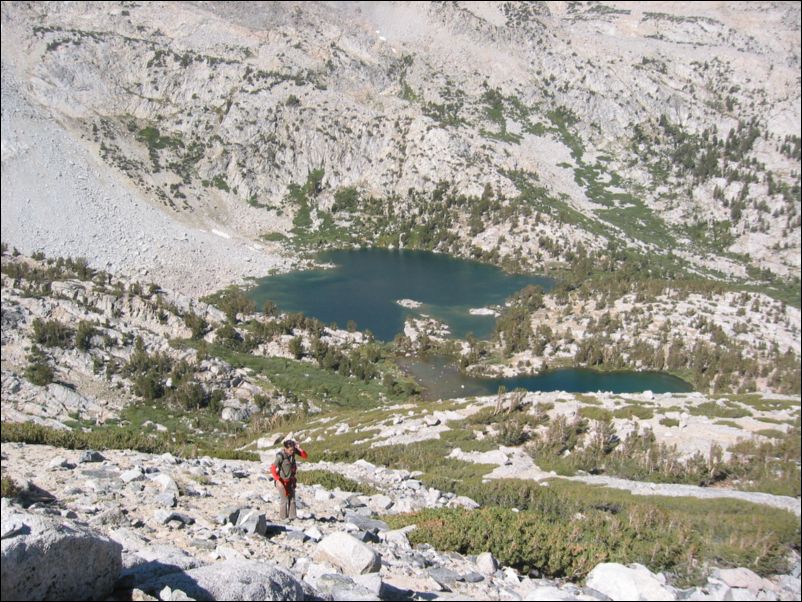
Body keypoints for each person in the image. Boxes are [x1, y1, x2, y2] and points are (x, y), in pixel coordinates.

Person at [270, 439, 308, 521]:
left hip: (290, 480)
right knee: (284, 500)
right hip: (281, 481)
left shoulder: (293, 451)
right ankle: (283, 518)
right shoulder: (280, 456)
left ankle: (293, 517)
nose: (292, 451)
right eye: (290, 450)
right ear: (285, 448)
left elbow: (305, 456)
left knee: (292, 499)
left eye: (293, 449)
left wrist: (299, 448)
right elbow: (272, 468)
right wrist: (277, 480)